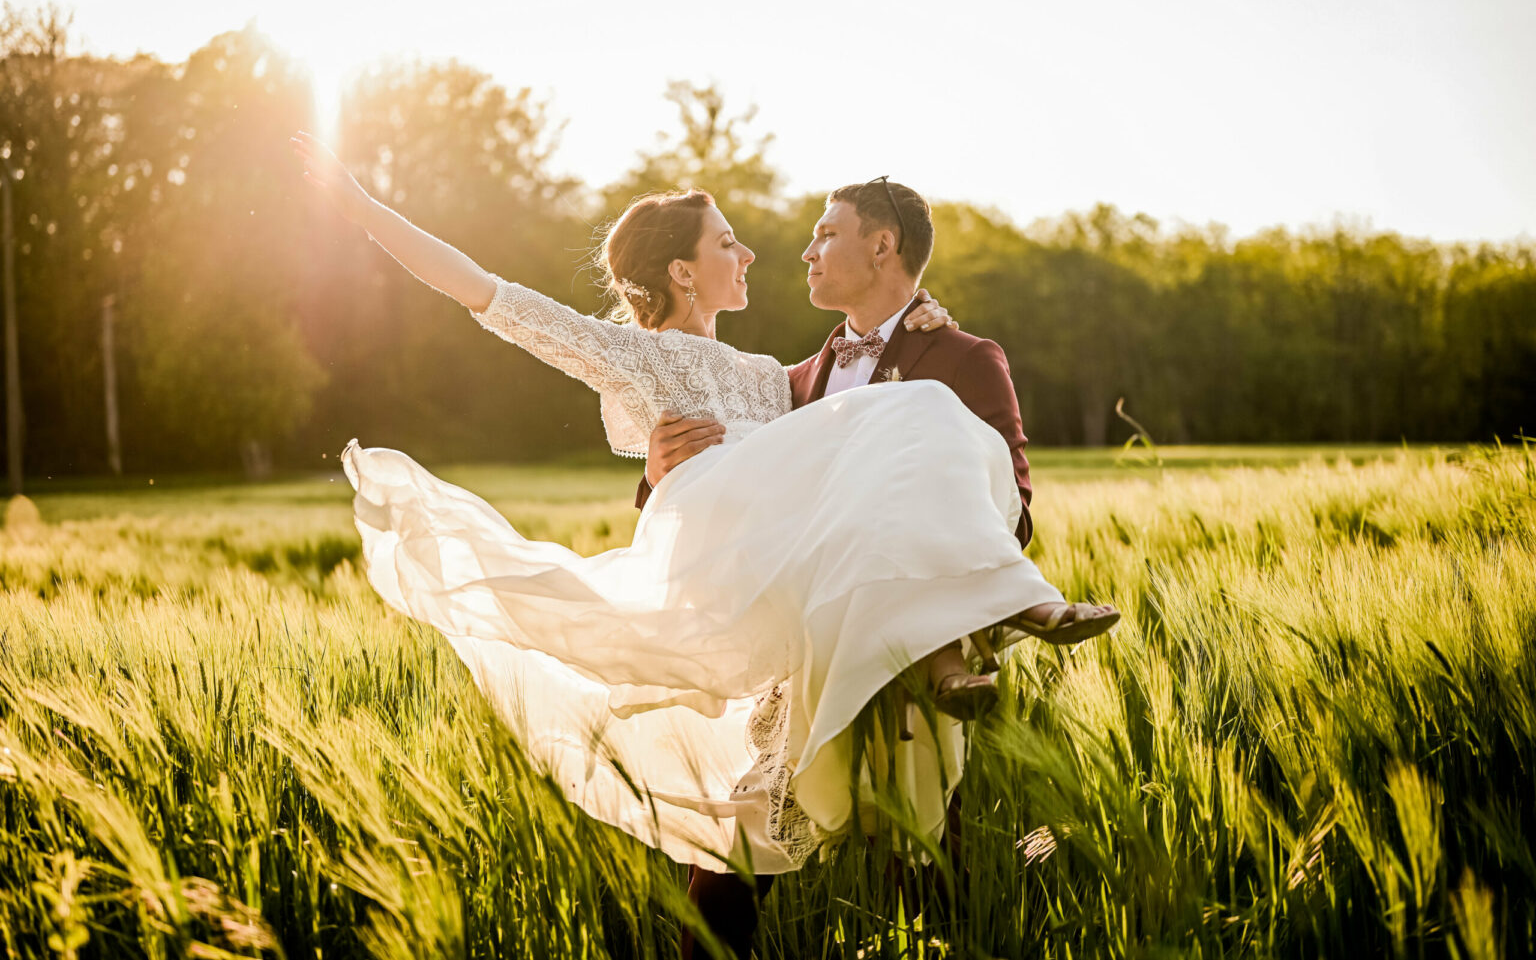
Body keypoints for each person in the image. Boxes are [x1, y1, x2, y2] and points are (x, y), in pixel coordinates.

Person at [288, 131, 1117, 920]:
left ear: (884, 246)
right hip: (744, 603)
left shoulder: (776, 378)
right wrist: (361, 208)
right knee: (735, 858)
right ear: (684, 271)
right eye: (730, 242)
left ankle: (975, 672)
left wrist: (928, 328)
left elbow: (898, 458)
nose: (759, 252)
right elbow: (490, 295)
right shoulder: (660, 360)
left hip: (841, 615)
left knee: (909, 843)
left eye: (815, 233)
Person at [638, 176, 1118, 957]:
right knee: (726, 873)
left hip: (913, 665)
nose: (808, 248)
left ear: (882, 246)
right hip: (804, 663)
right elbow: (710, 491)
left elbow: (1015, 503)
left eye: (827, 233)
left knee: (925, 870)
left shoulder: (961, 357)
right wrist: (658, 472)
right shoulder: (788, 382)